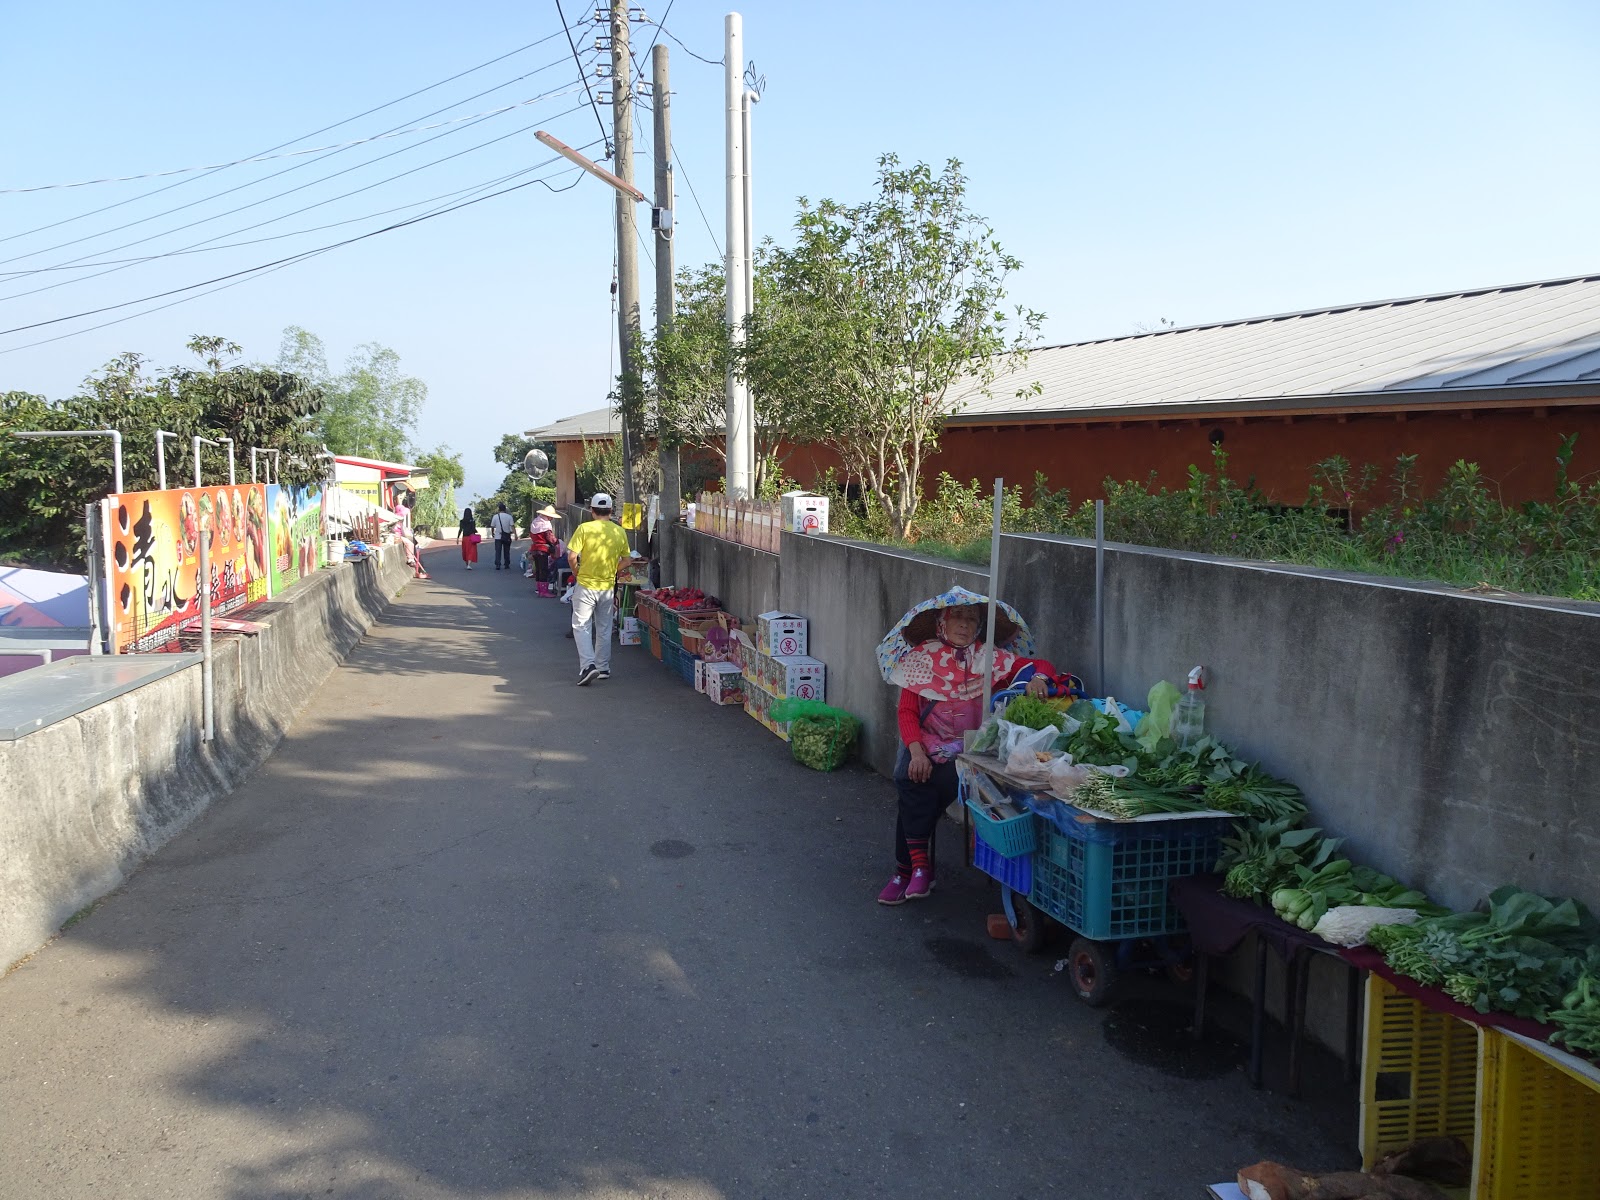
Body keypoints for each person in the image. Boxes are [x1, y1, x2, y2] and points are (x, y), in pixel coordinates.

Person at [881, 602, 1058, 905]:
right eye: (957, 617)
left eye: (972, 619)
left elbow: (1041, 665)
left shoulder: (990, 659)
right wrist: (917, 752)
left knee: (927, 790)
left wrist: (1039, 680)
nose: (964, 624)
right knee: (910, 778)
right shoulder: (921, 657)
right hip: (924, 742)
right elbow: (907, 712)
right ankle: (913, 869)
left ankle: (910, 869)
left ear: (979, 627)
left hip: (969, 749)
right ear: (942, 623)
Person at [565, 492, 630, 685]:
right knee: (604, 628)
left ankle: (588, 666)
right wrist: (612, 569)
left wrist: (577, 571)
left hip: (586, 585)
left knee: (581, 625)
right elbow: (627, 561)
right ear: (611, 511)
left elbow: (571, 556)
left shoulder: (584, 529)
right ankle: (602, 667)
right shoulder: (619, 531)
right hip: (607, 587)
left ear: (592, 511)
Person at [526, 504, 562, 595]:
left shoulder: (535, 523)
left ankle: (539, 589)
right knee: (543, 570)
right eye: (551, 517)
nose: (552, 519)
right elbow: (550, 538)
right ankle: (544, 591)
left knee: (538, 570)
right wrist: (557, 542)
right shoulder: (545, 526)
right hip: (542, 550)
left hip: (534, 549)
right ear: (548, 516)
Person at [489, 502, 516, 570]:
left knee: (498, 551)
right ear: (505, 509)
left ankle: (498, 564)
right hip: (507, 536)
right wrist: (515, 535)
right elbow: (512, 526)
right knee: (507, 551)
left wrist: (492, 533)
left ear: (499, 509)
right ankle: (506, 564)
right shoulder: (509, 517)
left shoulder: (495, 516)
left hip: (498, 536)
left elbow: (492, 526)